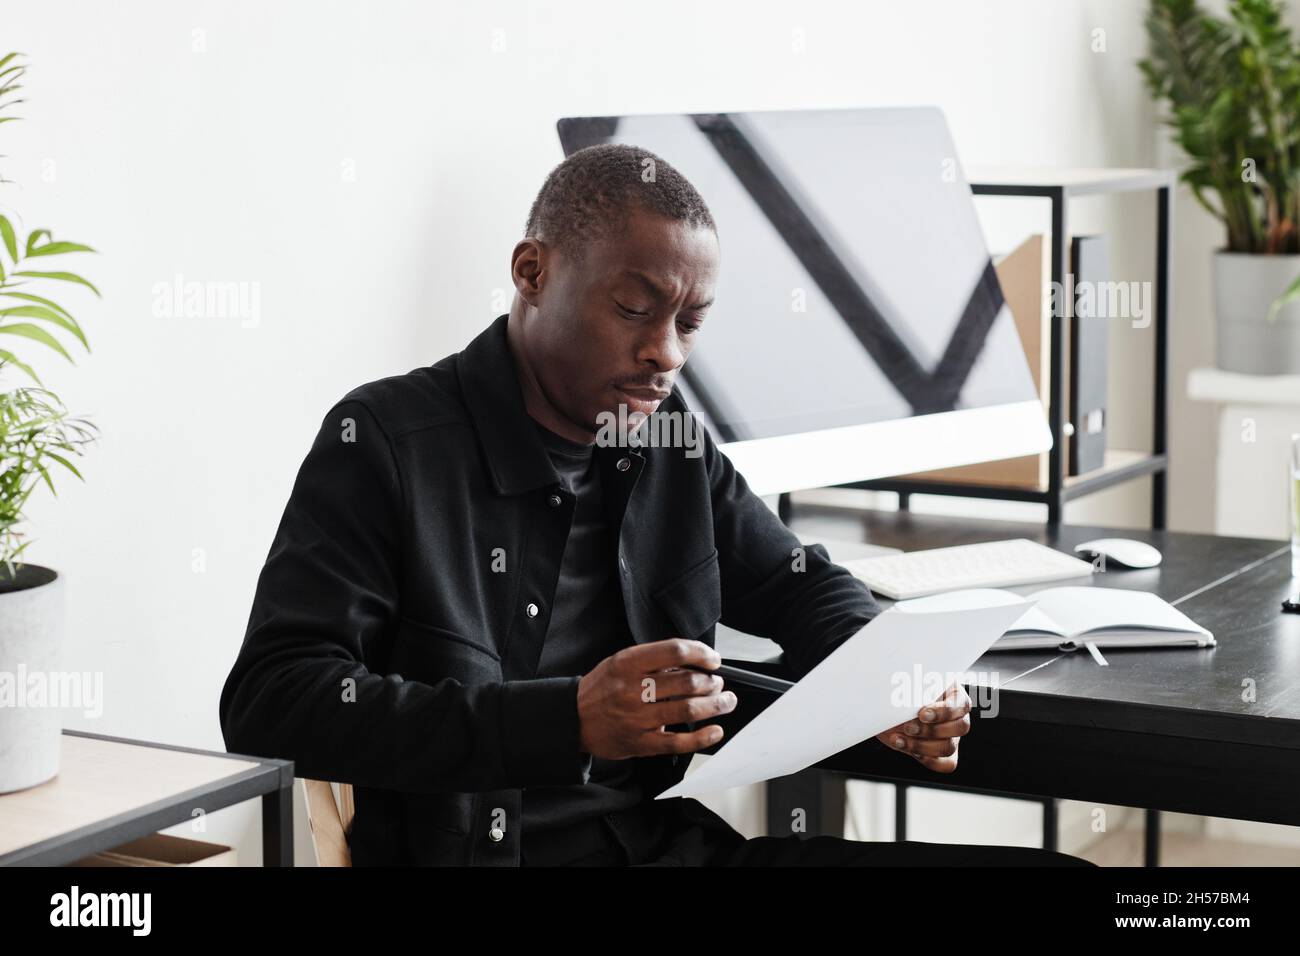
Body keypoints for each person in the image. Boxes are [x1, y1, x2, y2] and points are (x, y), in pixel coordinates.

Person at [219, 143, 1092, 867]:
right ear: (532, 271)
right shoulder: (387, 443)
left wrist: (888, 681)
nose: (665, 353)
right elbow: (272, 699)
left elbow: (796, 580)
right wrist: (564, 720)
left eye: (692, 322)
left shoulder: (661, 434)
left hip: (664, 849)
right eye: (634, 309)